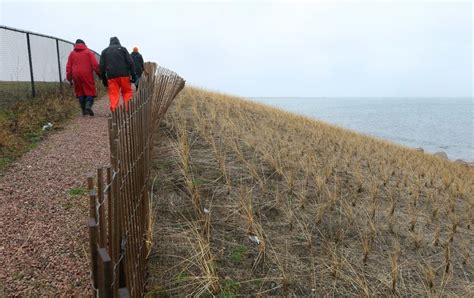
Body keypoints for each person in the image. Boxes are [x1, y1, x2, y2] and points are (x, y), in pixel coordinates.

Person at [99, 37, 137, 112]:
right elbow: (131, 63)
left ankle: (114, 109)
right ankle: (127, 108)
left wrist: (104, 79)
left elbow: (101, 67)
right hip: (124, 75)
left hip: (111, 76)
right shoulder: (123, 49)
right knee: (126, 91)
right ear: (118, 42)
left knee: (114, 93)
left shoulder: (104, 51)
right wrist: (133, 74)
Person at [66, 39, 100, 116]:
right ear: (84, 44)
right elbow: (95, 65)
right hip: (87, 74)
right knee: (90, 91)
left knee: (80, 92)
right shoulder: (88, 52)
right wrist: (99, 74)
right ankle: (88, 105)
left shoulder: (72, 54)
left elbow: (68, 67)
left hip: (76, 75)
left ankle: (83, 110)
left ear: (75, 45)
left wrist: (69, 78)